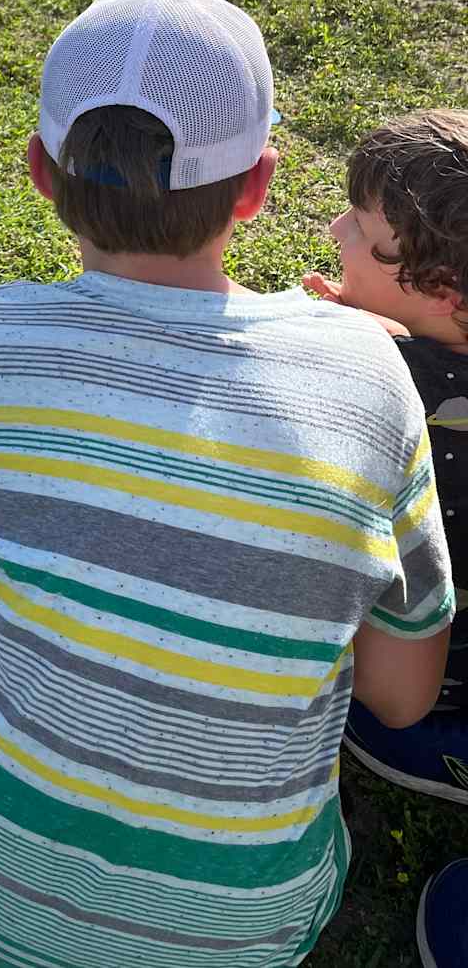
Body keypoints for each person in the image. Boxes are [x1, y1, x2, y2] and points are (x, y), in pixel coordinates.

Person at [0, 0, 454, 968]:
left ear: (39, 174)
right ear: (258, 186)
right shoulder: (367, 378)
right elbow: (397, 698)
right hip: (252, 933)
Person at [303, 111, 468, 968]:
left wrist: (341, 347)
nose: (335, 231)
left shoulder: (380, 394)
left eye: (363, 233)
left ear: (445, 295)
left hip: (428, 707)